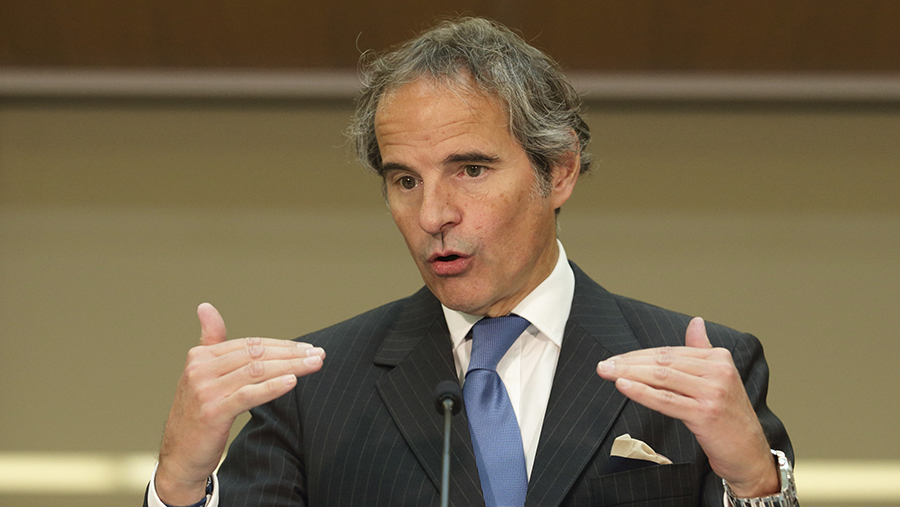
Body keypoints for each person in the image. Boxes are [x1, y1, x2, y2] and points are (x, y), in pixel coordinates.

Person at [145, 17, 796, 507]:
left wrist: (754, 484)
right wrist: (178, 483)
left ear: (559, 170)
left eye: (471, 170)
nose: (433, 215)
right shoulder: (312, 391)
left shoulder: (703, 372)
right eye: (405, 180)